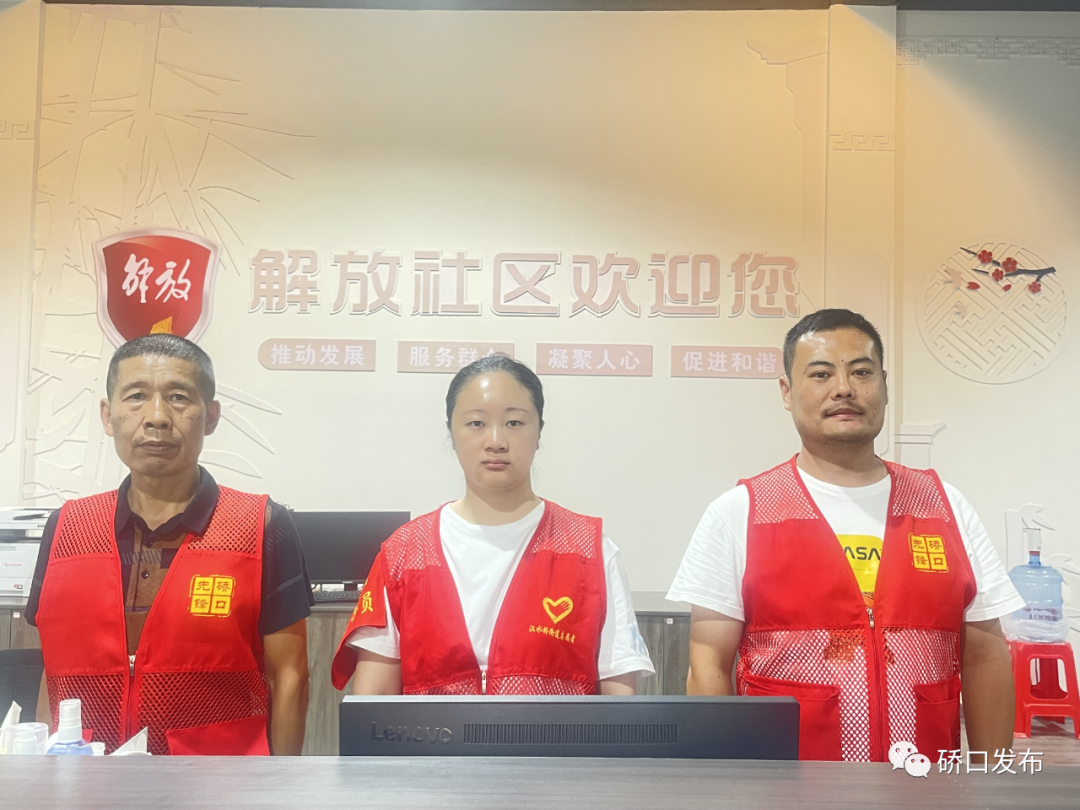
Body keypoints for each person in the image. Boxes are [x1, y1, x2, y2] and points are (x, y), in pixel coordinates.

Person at [667, 309, 1024, 762]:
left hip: (925, 783)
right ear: (786, 392)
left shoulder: (944, 506)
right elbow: (708, 665)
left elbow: (985, 655)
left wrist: (990, 781)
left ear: (884, 386)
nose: (843, 389)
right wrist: (725, 784)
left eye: (861, 372)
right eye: (821, 374)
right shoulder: (739, 512)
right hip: (784, 786)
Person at [27, 334, 312, 755]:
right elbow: (53, 673)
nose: (157, 417)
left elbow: (290, 677)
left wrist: (281, 784)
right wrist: (43, 772)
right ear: (108, 415)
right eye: (136, 396)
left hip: (220, 778)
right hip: (86, 773)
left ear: (210, 416)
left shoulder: (262, 525)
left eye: (178, 397)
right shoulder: (66, 527)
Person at [331, 355, 654, 695]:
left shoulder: (591, 551)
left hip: (556, 735)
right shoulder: (402, 554)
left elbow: (620, 702)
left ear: (539, 432)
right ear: (451, 434)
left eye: (514, 423)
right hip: (435, 734)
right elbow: (374, 706)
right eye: (476, 423)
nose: (496, 441)